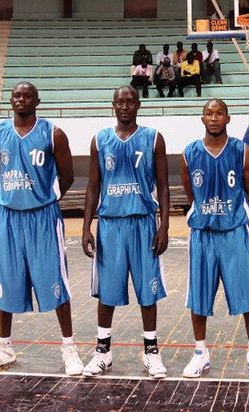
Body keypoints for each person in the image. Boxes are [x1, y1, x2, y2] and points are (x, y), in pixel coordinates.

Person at [0, 82, 83, 376]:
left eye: (27, 96)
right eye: (16, 96)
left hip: (43, 217)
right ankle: (4, 349)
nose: (21, 100)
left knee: (55, 280)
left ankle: (69, 349)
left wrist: (44, 198)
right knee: (5, 282)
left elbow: (68, 176)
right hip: (8, 218)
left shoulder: (53, 133)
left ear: (37, 100)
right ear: (10, 101)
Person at [81, 86, 169, 379]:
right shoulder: (100, 139)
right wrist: (86, 228)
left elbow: (163, 185)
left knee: (148, 291)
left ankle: (151, 351)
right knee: (107, 292)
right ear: (113, 104)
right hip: (110, 224)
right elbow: (93, 186)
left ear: (139, 104)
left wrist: (164, 225)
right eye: (120, 101)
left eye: (130, 101)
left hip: (143, 223)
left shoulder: (153, 137)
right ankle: (103, 352)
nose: (125, 106)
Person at [180, 98, 249, 380]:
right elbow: (190, 193)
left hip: (234, 233)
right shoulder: (189, 153)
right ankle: (200, 353)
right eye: (209, 113)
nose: (214, 118)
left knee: (247, 295)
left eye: (220, 113)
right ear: (202, 119)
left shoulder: (241, 151)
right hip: (203, 234)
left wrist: (229, 210)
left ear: (228, 118)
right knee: (199, 297)